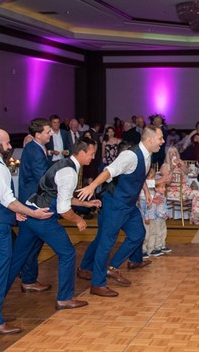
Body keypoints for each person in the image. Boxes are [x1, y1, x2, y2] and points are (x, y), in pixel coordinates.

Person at [0, 128, 52, 334]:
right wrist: (32, 213)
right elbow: (8, 199)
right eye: (7, 143)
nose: (10, 147)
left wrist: (13, 214)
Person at [76, 126, 166, 296]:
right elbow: (109, 171)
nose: (163, 141)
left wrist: (146, 191)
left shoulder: (147, 154)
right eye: (160, 138)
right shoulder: (129, 156)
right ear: (150, 139)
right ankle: (97, 284)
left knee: (137, 234)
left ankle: (110, 267)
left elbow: (139, 175)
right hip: (115, 204)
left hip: (128, 205)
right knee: (106, 242)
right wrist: (92, 186)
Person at [12, 139, 100, 311]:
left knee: (18, 258)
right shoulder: (69, 173)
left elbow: (60, 196)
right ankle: (65, 298)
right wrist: (78, 220)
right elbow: (63, 209)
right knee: (67, 253)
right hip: (43, 218)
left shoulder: (63, 164)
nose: (93, 157)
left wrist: (85, 204)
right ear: (81, 153)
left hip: (30, 213)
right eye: (91, 154)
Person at [16, 118, 55, 293]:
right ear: (38, 134)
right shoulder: (34, 150)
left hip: (32, 200)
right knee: (30, 243)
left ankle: (28, 277)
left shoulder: (36, 148)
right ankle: (27, 278)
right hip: (33, 202)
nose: (51, 133)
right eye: (48, 131)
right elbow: (43, 177)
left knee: (32, 243)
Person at [163, 146, 199, 225]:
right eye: (170, 153)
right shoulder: (165, 166)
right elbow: (167, 183)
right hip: (172, 191)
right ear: (167, 155)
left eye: (175, 153)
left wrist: (180, 165)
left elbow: (187, 172)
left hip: (184, 189)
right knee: (197, 194)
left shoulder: (181, 162)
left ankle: (195, 216)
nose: (173, 155)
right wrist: (172, 169)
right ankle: (195, 218)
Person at [140, 181, 170, 258]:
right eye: (162, 187)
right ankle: (146, 249)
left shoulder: (162, 196)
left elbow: (164, 206)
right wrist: (147, 217)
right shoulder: (153, 197)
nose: (164, 189)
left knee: (159, 233)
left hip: (158, 218)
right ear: (156, 188)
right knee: (149, 234)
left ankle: (157, 247)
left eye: (164, 187)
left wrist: (166, 213)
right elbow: (148, 208)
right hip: (152, 218)